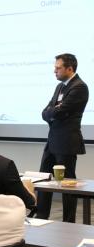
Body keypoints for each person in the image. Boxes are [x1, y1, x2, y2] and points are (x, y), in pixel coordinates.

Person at [36, 53, 89, 223]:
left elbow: (59, 111)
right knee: (43, 179)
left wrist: (54, 110)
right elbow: (47, 111)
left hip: (67, 143)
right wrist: (54, 110)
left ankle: (68, 221)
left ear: (69, 69)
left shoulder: (79, 87)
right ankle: (42, 216)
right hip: (52, 142)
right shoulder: (60, 87)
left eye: (58, 68)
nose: (55, 71)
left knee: (67, 184)